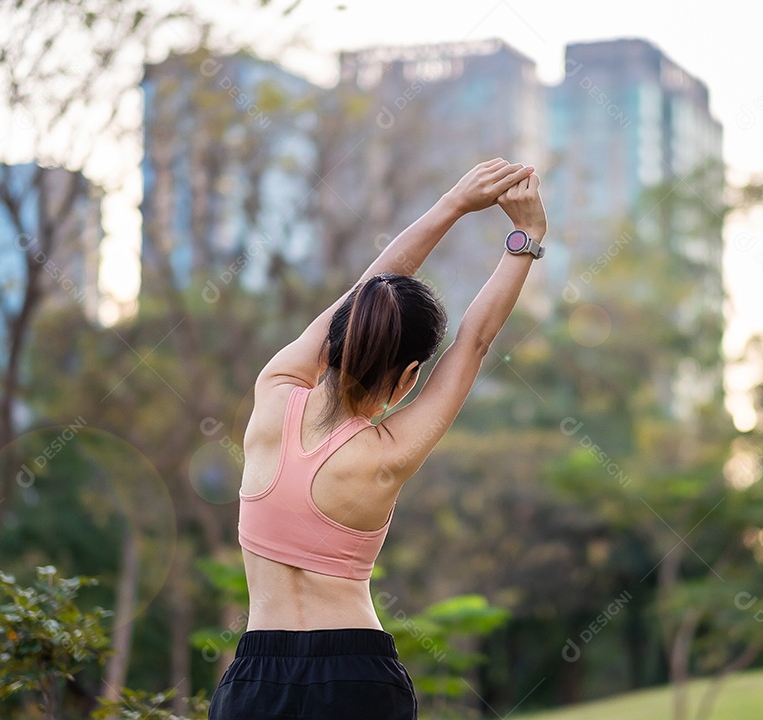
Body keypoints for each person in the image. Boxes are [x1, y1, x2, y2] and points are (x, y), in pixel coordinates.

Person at [208, 158, 548, 719]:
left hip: (254, 683)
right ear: (411, 375)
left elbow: (367, 293)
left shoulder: (273, 395)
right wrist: (525, 238)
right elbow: (476, 341)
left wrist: (453, 204)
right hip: (355, 680)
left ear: (336, 337)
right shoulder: (384, 456)